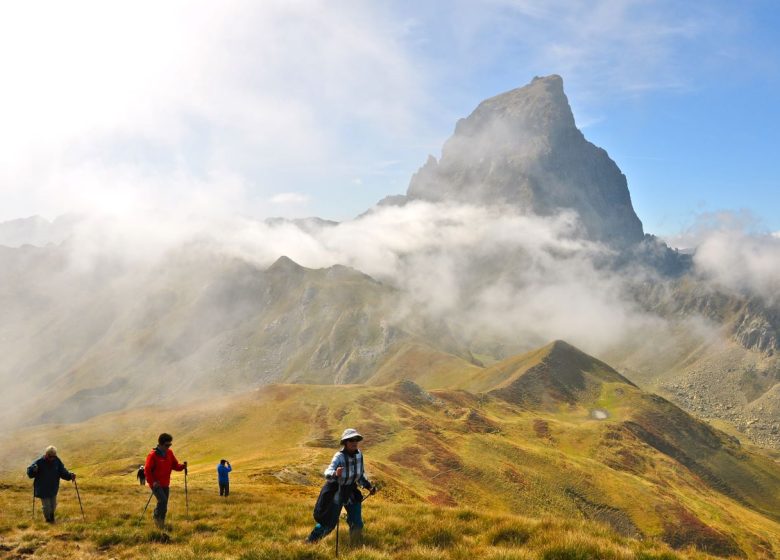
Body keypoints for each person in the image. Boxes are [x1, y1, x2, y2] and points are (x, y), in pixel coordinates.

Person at [307, 428, 376, 544]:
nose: (354, 442)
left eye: (356, 439)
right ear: (345, 442)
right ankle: (311, 541)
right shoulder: (338, 457)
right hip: (336, 491)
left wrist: (369, 487)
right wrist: (335, 473)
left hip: (351, 491)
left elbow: (360, 475)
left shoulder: (359, 455)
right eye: (350, 440)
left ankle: (355, 544)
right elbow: (327, 472)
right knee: (328, 524)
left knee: (357, 522)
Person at [144, 433, 187, 529]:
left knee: (164, 503)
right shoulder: (152, 455)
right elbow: (147, 470)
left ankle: (161, 522)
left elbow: (175, 465)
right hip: (156, 484)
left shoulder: (169, 453)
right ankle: (157, 518)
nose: (168, 447)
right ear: (161, 444)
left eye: (170, 445)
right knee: (162, 501)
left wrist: (182, 467)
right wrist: (153, 482)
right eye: (167, 445)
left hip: (165, 483)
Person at [26, 446, 76, 523]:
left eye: (53, 456)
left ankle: (51, 517)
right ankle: (48, 520)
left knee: (53, 505)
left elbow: (62, 471)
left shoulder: (57, 461)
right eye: (50, 456)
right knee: (46, 507)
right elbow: (30, 474)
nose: (52, 458)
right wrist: (33, 470)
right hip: (42, 488)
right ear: (46, 454)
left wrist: (70, 475)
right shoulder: (39, 462)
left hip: (53, 488)